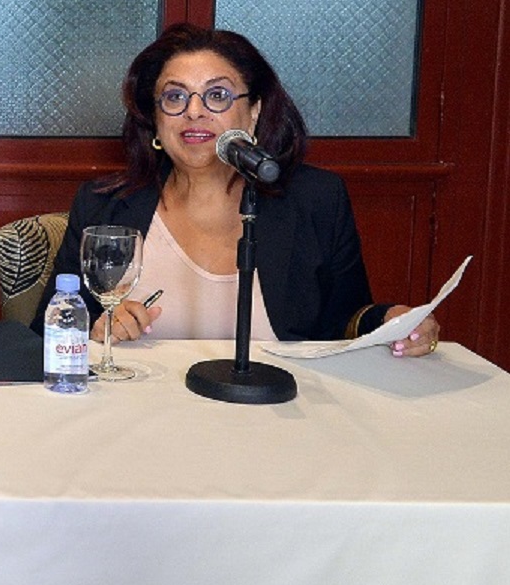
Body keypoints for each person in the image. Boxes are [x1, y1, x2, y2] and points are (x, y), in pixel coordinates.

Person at [34, 23, 440, 355]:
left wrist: (394, 321)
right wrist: (98, 329)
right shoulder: (104, 205)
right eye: (174, 97)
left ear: (254, 111)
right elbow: (46, 333)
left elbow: (348, 321)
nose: (194, 111)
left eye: (217, 95)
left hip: (279, 415)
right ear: (155, 119)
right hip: (142, 414)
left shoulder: (316, 199)